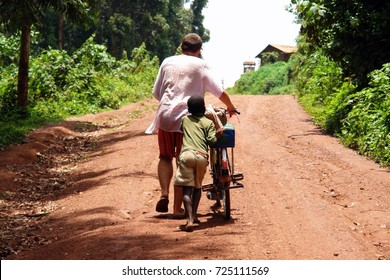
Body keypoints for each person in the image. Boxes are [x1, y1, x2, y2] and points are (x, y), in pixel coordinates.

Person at [146, 33, 237, 217]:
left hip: (165, 116)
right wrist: (231, 107)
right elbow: (219, 91)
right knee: (183, 161)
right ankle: (177, 209)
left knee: (165, 157)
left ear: (181, 47)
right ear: (199, 50)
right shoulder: (201, 65)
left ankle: (164, 194)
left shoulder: (167, 62)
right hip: (187, 119)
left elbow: (157, 93)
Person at [174, 96, 218, 231]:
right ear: (204, 108)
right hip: (201, 156)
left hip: (187, 155)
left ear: (189, 109)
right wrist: (218, 134)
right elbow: (212, 141)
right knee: (197, 187)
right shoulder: (208, 123)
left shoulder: (185, 120)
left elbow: (182, 129)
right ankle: (194, 214)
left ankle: (189, 219)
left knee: (187, 189)